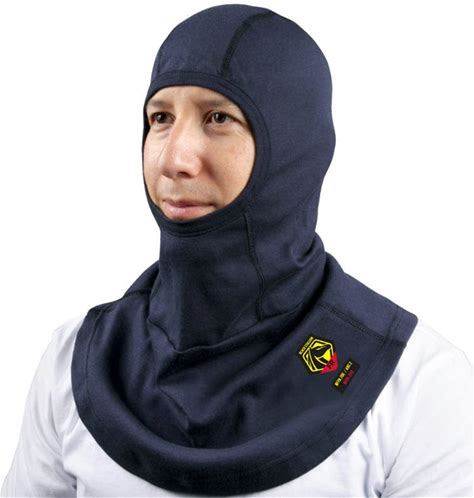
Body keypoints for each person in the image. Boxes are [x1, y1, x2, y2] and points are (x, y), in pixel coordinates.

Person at [2, 4, 472, 497]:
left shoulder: (415, 386)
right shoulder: (76, 363)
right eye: (161, 118)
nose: (174, 158)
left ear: (291, 148)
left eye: (218, 117)